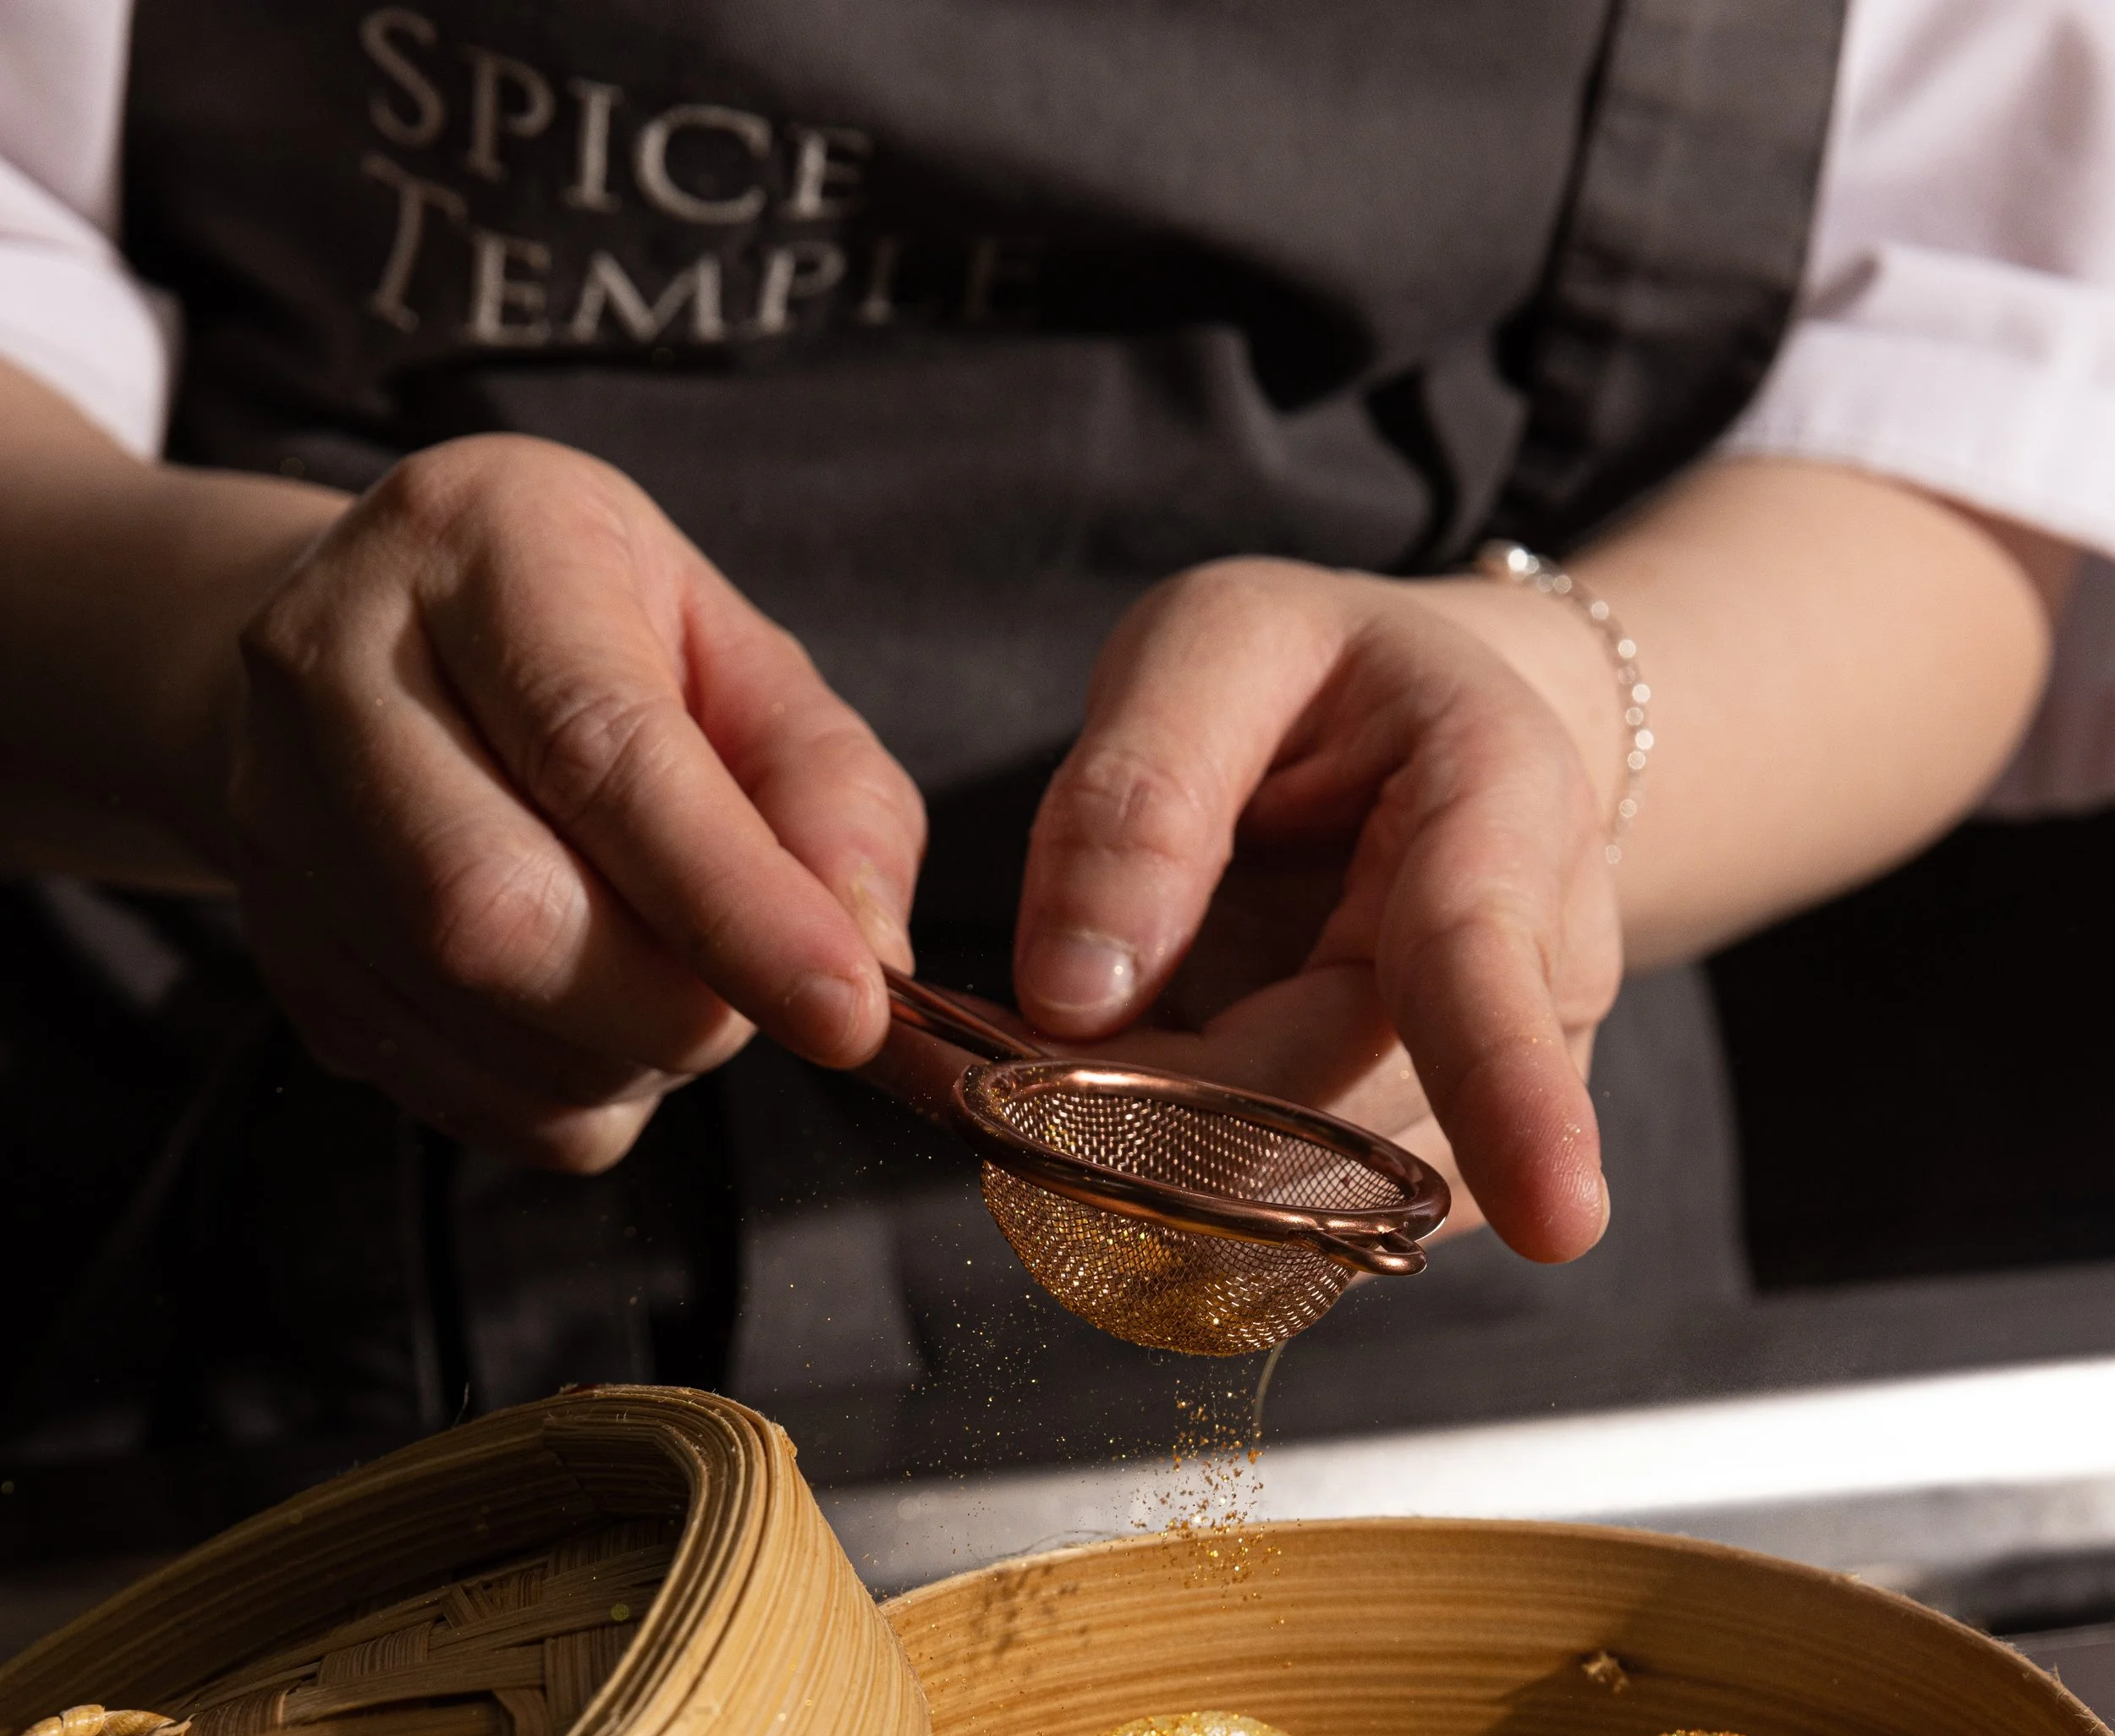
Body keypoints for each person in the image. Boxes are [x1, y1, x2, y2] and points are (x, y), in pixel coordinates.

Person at [0, 0, 2107, 1450]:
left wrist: (1556, 719)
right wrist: (235, 667)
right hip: (270, 1319)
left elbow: (2006, 383)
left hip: (1428, 1294)